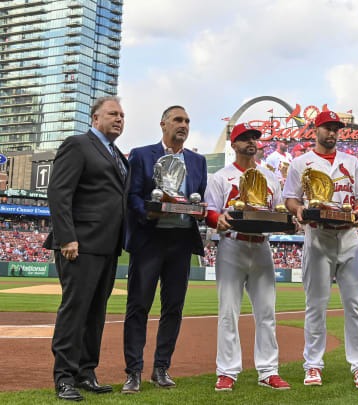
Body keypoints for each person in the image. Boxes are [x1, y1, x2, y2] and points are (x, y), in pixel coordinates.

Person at [44, 96, 128, 401]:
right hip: (79, 245)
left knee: (96, 313)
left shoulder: (117, 154)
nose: (119, 119)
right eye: (112, 114)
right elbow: (59, 191)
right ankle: (64, 377)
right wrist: (67, 237)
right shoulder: (77, 145)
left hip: (108, 245)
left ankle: (86, 372)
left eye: (121, 115)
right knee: (76, 310)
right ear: (95, 119)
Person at [283, 110, 358, 388]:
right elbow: (290, 199)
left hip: (347, 237)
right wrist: (298, 210)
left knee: (355, 304)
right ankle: (313, 365)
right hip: (318, 237)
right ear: (315, 130)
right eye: (327, 128)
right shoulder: (301, 163)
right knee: (316, 305)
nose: (332, 132)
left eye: (335, 128)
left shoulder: (352, 162)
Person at [121, 106, 207, 394]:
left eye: (187, 121)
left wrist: (199, 211)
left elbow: (198, 197)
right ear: (163, 124)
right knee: (138, 307)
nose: (183, 125)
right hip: (150, 240)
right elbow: (131, 196)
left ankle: (161, 368)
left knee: (173, 308)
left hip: (182, 242)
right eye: (178, 120)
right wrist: (149, 213)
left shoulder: (198, 161)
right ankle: (133, 371)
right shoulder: (142, 154)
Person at [205, 123, 291, 391]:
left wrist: (288, 222)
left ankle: (268, 371)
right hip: (232, 245)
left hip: (262, 246)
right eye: (245, 138)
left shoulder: (270, 177)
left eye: (254, 137)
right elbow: (210, 211)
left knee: (266, 313)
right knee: (228, 312)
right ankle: (227, 372)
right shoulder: (221, 177)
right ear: (233, 144)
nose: (251, 141)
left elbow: (277, 210)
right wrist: (217, 220)